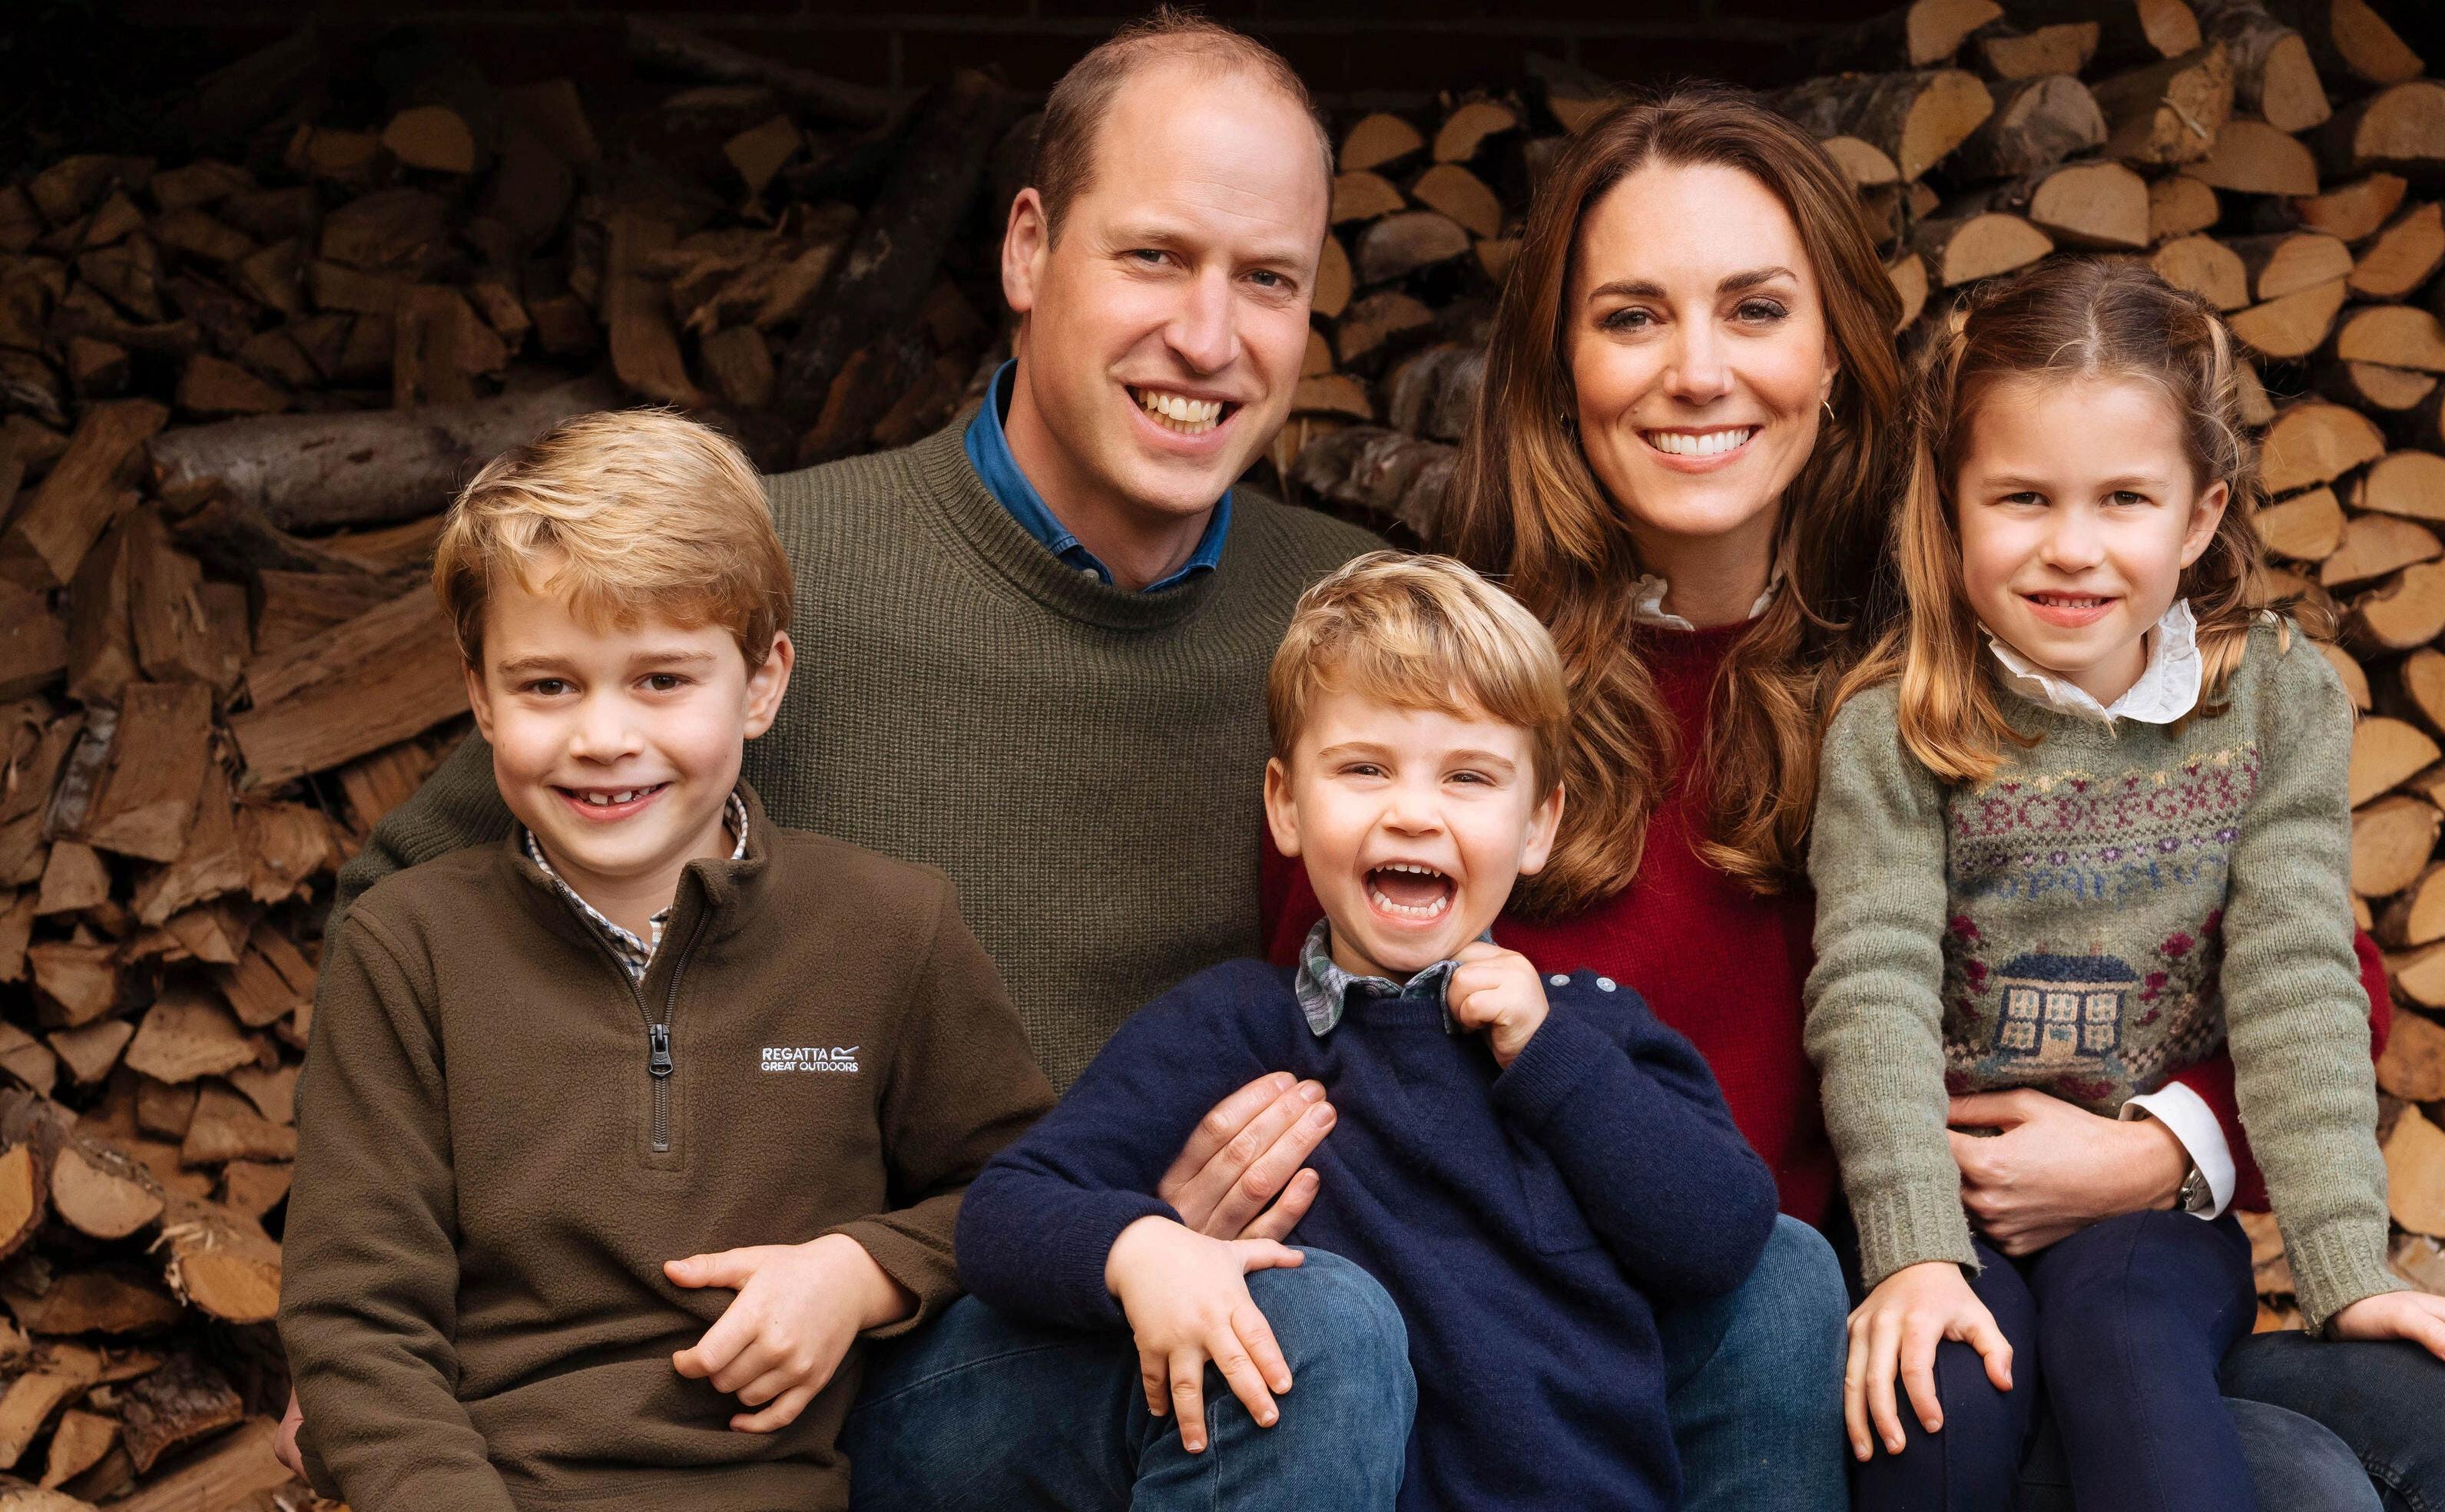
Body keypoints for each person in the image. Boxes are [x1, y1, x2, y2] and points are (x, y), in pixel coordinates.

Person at [287, 18, 1844, 1508]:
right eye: (1155, 256)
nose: (1206, 336)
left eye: (1268, 281)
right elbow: (427, 905)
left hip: (1289, 1271)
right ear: (1029, 249)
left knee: (1761, 1273)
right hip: (910, 1344)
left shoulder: (1341, 616)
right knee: (1305, 1336)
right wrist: (398, 1337)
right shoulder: (783, 586)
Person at [1268, 85, 2445, 1510]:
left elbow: (2327, 982)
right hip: (1672, 1362)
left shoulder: (1977, 634)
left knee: (2431, 1425)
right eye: (1631, 317)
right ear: (1558, 363)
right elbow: (1317, 1010)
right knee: (2297, 1483)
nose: (1697, 371)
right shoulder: (1456, 695)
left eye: (1755, 310)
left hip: (1981, 1297)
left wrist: (2140, 1151)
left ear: (1835, 355)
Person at [1806, 257, 2445, 1512]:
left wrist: (2347, 1270)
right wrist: (1916, 1247)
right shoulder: (1899, 726)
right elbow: (1867, 986)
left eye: (2125, 499)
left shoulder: (2271, 700)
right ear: (1951, 499)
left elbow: (2299, 979)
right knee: (1944, 1396)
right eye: (2024, 496)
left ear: (2199, 516)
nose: (2072, 548)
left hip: (2147, 1218)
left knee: (2128, 1337)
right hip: (1950, 1193)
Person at [278, 412, 1059, 1511]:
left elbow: (1021, 1185)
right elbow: (359, 1321)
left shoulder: (892, 930)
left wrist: (862, 1270)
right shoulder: (406, 950)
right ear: (480, 695)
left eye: (660, 681)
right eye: (550, 685)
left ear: (761, 683)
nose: (603, 736)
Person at [958, 552, 1781, 1510]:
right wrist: (1140, 1247)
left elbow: (1726, 1239)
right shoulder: (1234, 1026)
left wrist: (1550, 1059)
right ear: (1286, 805)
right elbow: (1004, 1211)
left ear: (1537, 825)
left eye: (1469, 777)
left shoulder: (1588, 1027)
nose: (1412, 813)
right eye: (1363, 768)